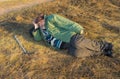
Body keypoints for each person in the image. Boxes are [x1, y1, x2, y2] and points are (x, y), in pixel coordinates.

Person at [29, 13, 113, 58]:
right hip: (65, 46)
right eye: (38, 23)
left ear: (43, 18)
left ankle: (105, 45)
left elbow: (66, 23)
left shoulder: (51, 18)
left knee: (78, 43)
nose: (40, 24)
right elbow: (37, 39)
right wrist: (36, 28)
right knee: (77, 53)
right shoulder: (40, 30)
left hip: (70, 37)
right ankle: (102, 52)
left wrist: (79, 29)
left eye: (40, 21)